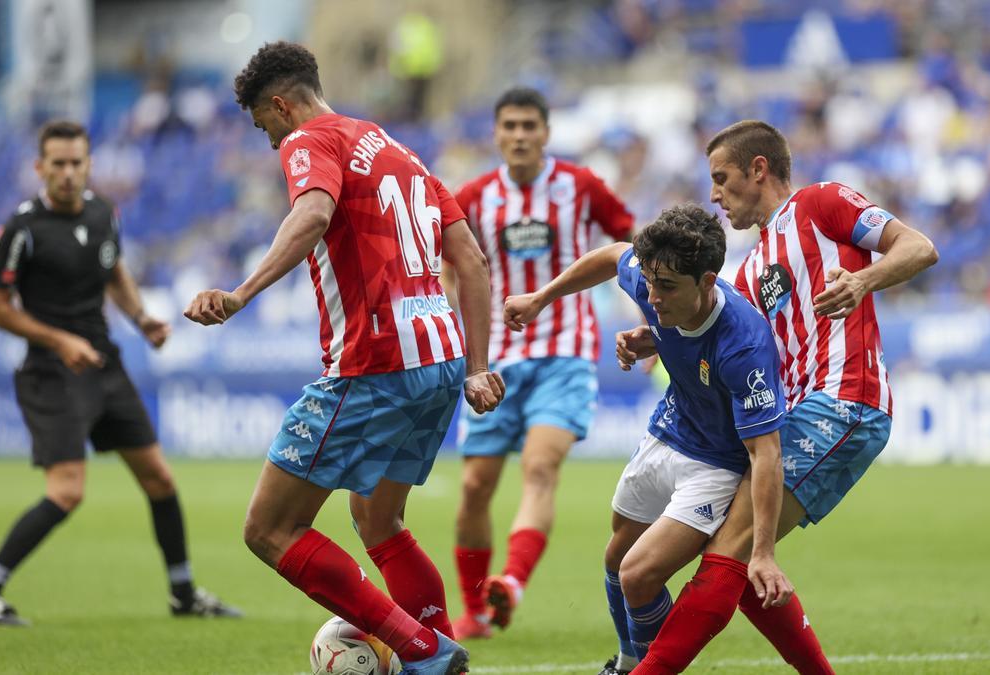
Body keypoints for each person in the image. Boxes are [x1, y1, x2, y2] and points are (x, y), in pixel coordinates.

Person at [182, 41, 504, 675]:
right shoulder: (398, 150)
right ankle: (434, 646)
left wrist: (242, 292)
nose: (271, 144)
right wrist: (475, 366)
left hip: (375, 362)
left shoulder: (310, 141)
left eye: (263, 127)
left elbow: (312, 213)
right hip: (438, 359)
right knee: (377, 517)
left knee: (270, 530)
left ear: (280, 105)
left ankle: (422, 650)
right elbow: (471, 259)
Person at [621, 120, 939, 674]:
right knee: (738, 562)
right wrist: (656, 332)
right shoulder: (752, 264)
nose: (714, 195)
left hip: (844, 401)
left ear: (758, 169)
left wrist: (862, 282)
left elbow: (919, 247)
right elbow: (715, 323)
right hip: (803, 407)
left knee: (734, 550)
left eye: (721, 179)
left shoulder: (822, 202)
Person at [0, 120, 239, 627]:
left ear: (89, 165)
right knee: (67, 491)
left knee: (158, 477)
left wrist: (141, 318)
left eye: (76, 163)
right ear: (39, 168)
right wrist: (59, 339)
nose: (68, 173)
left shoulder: (102, 212)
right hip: (52, 369)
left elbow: (115, 274)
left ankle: (183, 593)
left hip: (105, 363)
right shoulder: (20, 229)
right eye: (58, 164)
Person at [502, 204, 792, 675]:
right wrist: (541, 298)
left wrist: (762, 552)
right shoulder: (654, 276)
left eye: (668, 288)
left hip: (715, 465)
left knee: (638, 574)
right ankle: (630, 661)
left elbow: (767, 454)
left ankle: (651, 668)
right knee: (616, 559)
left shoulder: (745, 345)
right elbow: (612, 256)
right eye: (651, 283)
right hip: (667, 430)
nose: (653, 297)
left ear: (707, 282)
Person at [446, 87, 633, 641]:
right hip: (494, 362)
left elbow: (631, 241)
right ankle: (474, 610)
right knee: (476, 486)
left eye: (530, 125)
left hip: (565, 352)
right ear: (497, 133)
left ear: (547, 133)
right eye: (510, 125)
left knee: (539, 468)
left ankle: (513, 581)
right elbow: (449, 265)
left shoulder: (581, 187)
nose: (521, 135)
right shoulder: (474, 196)